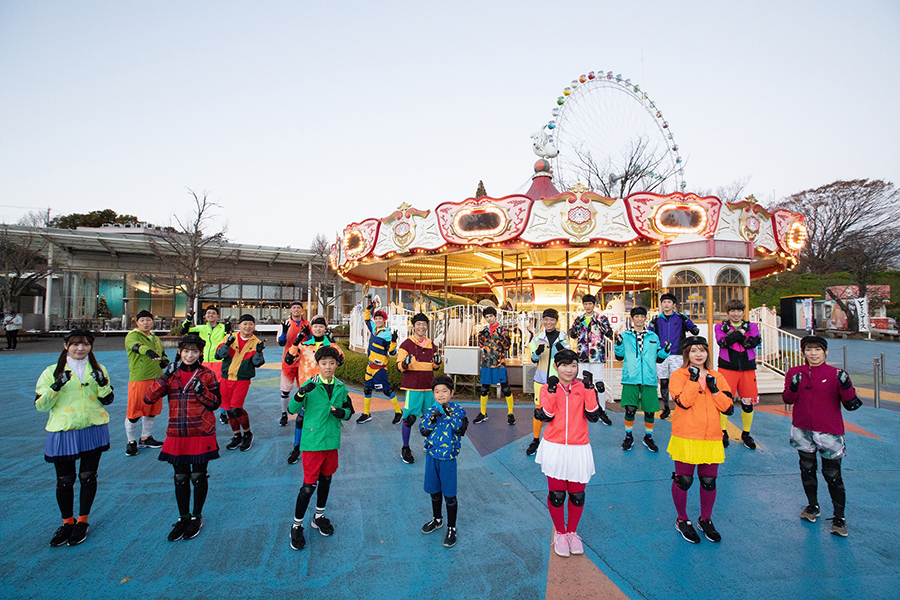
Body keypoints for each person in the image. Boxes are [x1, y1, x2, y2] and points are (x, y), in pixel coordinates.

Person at [35, 329, 114, 546]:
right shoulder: (51, 371)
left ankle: (83, 520)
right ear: (66, 346)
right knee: (65, 480)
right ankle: (67, 522)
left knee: (88, 476)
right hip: (64, 430)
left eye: (86, 344)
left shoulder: (98, 369)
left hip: (93, 428)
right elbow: (40, 405)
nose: (81, 348)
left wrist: (102, 383)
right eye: (76, 344)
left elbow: (107, 400)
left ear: (91, 346)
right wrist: (55, 387)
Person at [782, 336, 862, 537]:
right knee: (807, 469)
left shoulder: (836, 374)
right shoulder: (794, 373)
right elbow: (788, 399)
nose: (813, 353)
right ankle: (812, 506)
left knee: (832, 475)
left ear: (825, 352)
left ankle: (839, 518)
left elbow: (850, 403)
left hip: (829, 431)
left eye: (817, 349)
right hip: (802, 428)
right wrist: (793, 386)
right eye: (809, 349)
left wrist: (845, 385)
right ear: (803, 352)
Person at [144, 334, 221, 541]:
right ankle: (183, 517)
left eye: (194, 351)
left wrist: (202, 392)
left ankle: (196, 516)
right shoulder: (172, 375)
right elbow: (148, 397)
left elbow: (216, 403)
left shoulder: (207, 375)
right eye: (186, 351)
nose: (189, 355)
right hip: (177, 432)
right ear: (179, 352)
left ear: (200, 354)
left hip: (201, 432)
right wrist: (163, 377)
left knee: (198, 476)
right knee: (180, 478)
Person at [533, 349, 601, 557]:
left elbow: (593, 415)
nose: (569, 370)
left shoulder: (582, 387)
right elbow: (547, 415)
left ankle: (572, 532)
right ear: (556, 367)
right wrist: (552, 391)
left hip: (579, 446)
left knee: (577, 495)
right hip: (555, 446)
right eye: (564, 365)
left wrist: (590, 390)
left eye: (573, 366)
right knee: (557, 495)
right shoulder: (547, 388)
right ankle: (560, 533)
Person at [667, 337, 734, 544]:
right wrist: (694, 380)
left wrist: (714, 390)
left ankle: (706, 519)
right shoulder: (679, 375)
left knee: (708, 481)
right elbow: (684, 403)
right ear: (687, 354)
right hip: (686, 435)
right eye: (694, 350)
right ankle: (682, 519)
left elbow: (728, 407)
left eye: (702, 350)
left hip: (711, 436)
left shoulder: (718, 376)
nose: (698, 354)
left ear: (707, 353)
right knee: (683, 480)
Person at [288, 345, 354, 551]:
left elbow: (349, 411)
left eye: (332, 363)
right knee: (308, 486)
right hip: (313, 442)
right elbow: (292, 409)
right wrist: (300, 393)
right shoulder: (309, 385)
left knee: (326, 480)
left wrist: (341, 413)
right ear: (317, 365)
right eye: (324, 363)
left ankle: (319, 516)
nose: (328, 367)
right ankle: (296, 525)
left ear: (336, 365)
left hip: (331, 442)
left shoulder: (341, 387)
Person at [285, 315, 342, 464]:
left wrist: (332, 342)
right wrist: (296, 341)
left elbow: (340, 359)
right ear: (311, 328)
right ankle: (297, 448)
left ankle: (323, 447)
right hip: (308, 388)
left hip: (326, 389)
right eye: (315, 326)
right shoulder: (304, 346)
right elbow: (289, 359)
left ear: (325, 329)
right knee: (301, 419)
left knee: (324, 418)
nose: (318, 328)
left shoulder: (330, 347)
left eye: (321, 326)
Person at [419, 375, 468, 548]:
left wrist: (449, 414)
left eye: (444, 391)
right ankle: (437, 519)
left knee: (449, 494)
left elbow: (460, 429)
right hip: (432, 457)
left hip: (448, 458)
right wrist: (431, 419)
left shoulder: (458, 410)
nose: (441, 395)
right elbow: (423, 430)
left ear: (452, 393)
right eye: (437, 391)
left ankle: (452, 527)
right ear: (433, 394)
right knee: (434, 491)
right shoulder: (431, 409)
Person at [614, 306, 670, 452]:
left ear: (646, 318)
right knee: (630, 409)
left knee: (650, 411)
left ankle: (648, 437)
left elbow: (658, 358)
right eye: (636, 316)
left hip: (649, 377)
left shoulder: (653, 336)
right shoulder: (625, 335)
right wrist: (618, 345)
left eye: (642, 316)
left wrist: (666, 351)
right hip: (630, 377)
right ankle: (628, 436)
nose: (639, 319)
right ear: (632, 319)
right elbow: (619, 356)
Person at [714, 299, 761, 450]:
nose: (736, 314)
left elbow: (752, 343)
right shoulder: (719, 326)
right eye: (732, 311)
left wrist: (733, 336)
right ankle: (722, 431)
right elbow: (723, 343)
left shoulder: (752, 326)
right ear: (727, 313)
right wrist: (741, 333)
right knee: (724, 401)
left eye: (739, 311)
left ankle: (746, 433)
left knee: (748, 402)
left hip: (747, 368)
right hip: (727, 368)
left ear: (743, 312)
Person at [215, 314, 266, 452]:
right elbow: (218, 355)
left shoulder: (256, 342)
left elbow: (257, 363)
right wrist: (226, 344)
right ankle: (237, 435)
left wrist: (259, 352)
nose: (248, 327)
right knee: (228, 410)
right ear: (239, 326)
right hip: (226, 378)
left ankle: (248, 434)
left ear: (254, 326)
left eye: (251, 324)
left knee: (236, 409)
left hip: (242, 379)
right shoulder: (230, 338)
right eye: (245, 324)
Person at [397, 313, 441, 464]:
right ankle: (405, 448)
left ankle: (429, 443)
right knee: (409, 418)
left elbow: (434, 366)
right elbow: (399, 367)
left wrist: (437, 362)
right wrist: (405, 363)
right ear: (413, 326)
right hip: (413, 387)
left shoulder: (431, 344)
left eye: (424, 324)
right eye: (418, 324)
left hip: (429, 387)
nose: (421, 327)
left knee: (431, 417)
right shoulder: (406, 344)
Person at [650, 293, 700, 420]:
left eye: (669, 302)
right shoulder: (657, 319)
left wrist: (686, 320)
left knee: (679, 381)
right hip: (661, 354)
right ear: (661, 304)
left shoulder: (680, 318)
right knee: (664, 381)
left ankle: (680, 406)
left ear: (674, 304)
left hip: (677, 354)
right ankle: (666, 407)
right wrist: (651, 325)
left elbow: (695, 330)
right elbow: (648, 335)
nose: (666, 304)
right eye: (664, 302)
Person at [526, 308, 569, 456]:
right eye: (546, 319)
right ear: (543, 320)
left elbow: (568, 358)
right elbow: (532, 358)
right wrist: (537, 353)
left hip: (559, 381)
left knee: (560, 410)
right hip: (541, 381)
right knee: (539, 410)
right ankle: (536, 439)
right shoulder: (537, 338)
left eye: (551, 319)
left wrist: (562, 350)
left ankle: (558, 438)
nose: (548, 322)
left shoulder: (563, 337)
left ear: (556, 321)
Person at [124, 310, 168, 456]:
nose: (145, 323)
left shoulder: (155, 337)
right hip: (140, 378)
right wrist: (147, 351)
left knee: (152, 410)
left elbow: (162, 353)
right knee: (135, 411)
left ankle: (145, 437)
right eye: (142, 320)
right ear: (136, 322)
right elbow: (136, 347)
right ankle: (131, 441)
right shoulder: (132, 336)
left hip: (156, 377)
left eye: (148, 320)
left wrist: (164, 361)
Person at [567, 294, 613, 427]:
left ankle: (602, 411)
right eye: (585, 304)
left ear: (594, 304)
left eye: (590, 304)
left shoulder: (601, 318)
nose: (587, 306)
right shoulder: (579, 319)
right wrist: (573, 329)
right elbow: (574, 335)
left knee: (599, 383)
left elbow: (608, 332)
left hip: (596, 354)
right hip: (582, 355)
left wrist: (599, 323)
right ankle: (584, 409)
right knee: (583, 383)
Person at [180, 305, 230, 423]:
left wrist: (228, 329)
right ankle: (203, 410)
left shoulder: (222, 327)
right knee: (202, 387)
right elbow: (184, 331)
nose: (210, 315)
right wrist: (188, 320)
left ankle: (223, 412)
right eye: (208, 313)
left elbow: (229, 337)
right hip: (203, 362)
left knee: (221, 388)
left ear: (217, 316)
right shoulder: (201, 328)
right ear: (205, 316)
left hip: (219, 362)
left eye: (213, 313)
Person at [357, 297, 402, 425]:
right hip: (369, 367)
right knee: (367, 389)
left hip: (380, 368)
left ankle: (398, 412)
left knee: (387, 391)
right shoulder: (374, 329)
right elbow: (367, 320)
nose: (377, 320)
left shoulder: (387, 334)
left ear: (384, 320)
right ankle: (366, 413)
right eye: (376, 318)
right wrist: (367, 310)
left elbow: (392, 352)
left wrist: (393, 342)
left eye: (380, 318)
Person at [474, 306, 515, 425]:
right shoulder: (485, 329)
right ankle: (482, 413)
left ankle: (511, 413)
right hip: (486, 363)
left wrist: (502, 337)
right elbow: (481, 345)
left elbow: (507, 346)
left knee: (506, 389)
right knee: (484, 389)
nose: (489, 319)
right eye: (486, 317)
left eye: (491, 316)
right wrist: (481, 335)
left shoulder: (503, 329)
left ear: (495, 316)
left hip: (499, 363)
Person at [277, 301, 310, 427]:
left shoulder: (307, 324)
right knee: (285, 390)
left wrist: (308, 334)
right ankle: (284, 414)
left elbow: (311, 340)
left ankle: (302, 412)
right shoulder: (285, 324)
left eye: (298, 307)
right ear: (290, 310)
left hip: (304, 361)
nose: (296, 310)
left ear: (302, 310)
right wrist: (284, 332)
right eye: (294, 308)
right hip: (288, 361)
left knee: (303, 389)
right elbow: (281, 342)